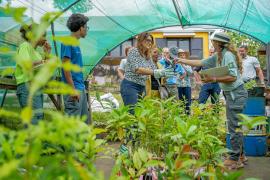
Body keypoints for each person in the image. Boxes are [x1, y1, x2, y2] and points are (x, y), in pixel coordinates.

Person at [178, 32, 247, 170]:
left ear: (219, 43)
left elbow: (232, 76)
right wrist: (181, 60)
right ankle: (240, 156)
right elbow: (201, 62)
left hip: (236, 94)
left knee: (234, 126)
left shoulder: (227, 55)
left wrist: (213, 79)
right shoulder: (219, 55)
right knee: (235, 125)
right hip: (232, 94)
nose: (212, 44)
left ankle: (234, 159)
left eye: (213, 41)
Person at [120, 32, 174, 114]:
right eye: (148, 40)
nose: (150, 43)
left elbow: (153, 68)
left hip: (142, 86)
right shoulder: (134, 51)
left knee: (139, 113)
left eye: (151, 41)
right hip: (130, 85)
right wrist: (156, 72)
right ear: (141, 40)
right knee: (132, 112)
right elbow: (137, 69)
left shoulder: (147, 56)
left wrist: (165, 71)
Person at [15, 24, 51, 124]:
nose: (45, 39)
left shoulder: (37, 53)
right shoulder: (25, 46)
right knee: (33, 121)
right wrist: (43, 62)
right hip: (27, 87)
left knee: (38, 119)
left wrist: (47, 53)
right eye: (43, 35)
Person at [61, 13, 90, 124]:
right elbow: (66, 66)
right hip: (73, 89)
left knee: (83, 124)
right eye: (86, 27)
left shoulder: (75, 43)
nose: (86, 30)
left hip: (80, 87)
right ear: (81, 27)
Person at [177, 49, 193, 114]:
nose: (182, 56)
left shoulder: (188, 64)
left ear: (185, 56)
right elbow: (176, 75)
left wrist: (183, 65)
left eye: (183, 55)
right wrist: (183, 75)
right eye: (180, 55)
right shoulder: (176, 65)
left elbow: (190, 73)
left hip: (187, 86)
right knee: (180, 102)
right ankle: (181, 116)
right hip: (179, 86)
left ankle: (188, 116)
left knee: (188, 102)